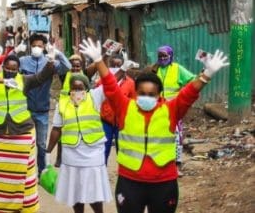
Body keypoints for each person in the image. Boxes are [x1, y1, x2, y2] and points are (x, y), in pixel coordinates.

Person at [80, 39, 229, 213]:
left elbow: (189, 93)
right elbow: (111, 87)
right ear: (135, 93)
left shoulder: (171, 110)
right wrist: (98, 60)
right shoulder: (125, 107)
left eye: (152, 94)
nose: (146, 97)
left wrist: (207, 74)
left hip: (164, 183)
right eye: (142, 93)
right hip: (130, 181)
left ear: (159, 95)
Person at [0, 53, 55, 213]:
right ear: (3, 67)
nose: (10, 71)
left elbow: (42, 77)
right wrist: (2, 78)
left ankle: (24, 205)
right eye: (7, 67)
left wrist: (51, 61)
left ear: (18, 69)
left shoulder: (24, 80)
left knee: (22, 172)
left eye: (14, 69)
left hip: (22, 133)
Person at [46, 73, 112, 213]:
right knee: (75, 190)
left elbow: (110, 82)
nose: (76, 92)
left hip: (93, 152)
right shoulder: (62, 103)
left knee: (93, 189)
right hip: (72, 154)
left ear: (86, 88)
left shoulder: (95, 96)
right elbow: (57, 129)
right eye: (73, 89)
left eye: (80, 88)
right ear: (69, 89)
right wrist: (47, 152)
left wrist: (117, 66)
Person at [19, 33, 71, 173]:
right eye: (34, 45)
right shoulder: (23, 61)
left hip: (42, 110)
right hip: (25, 109)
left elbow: (67, 67)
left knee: (41, 144)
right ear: (30, 46)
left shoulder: (50, 61)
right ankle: (24, 172)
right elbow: (10, 72)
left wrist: (58, 54)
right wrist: (15, 52)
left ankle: (41, 171)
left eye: (40, 46)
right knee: (23, 143)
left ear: (44, 48)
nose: (37, 48)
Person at [151, 45, 195, 172]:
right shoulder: (154, 69)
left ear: (171, 56)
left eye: (165, 56)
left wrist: (183, 94)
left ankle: (177, 163)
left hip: (174, 107)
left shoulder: (177, 68)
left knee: (176, 135)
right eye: (160, 56)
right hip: (157, 108)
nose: (162, 58)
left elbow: (192, 79)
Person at [99, 54, 137, 164]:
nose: (115, 67)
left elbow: (133, 102)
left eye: (118, 65)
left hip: (123, 122)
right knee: (103, 151)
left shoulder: (130, 83)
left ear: (124, 66)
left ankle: (123, 176)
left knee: (123, 151)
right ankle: (102, 177)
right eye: (113, 65)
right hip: (106, 121)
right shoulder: (103, 81)